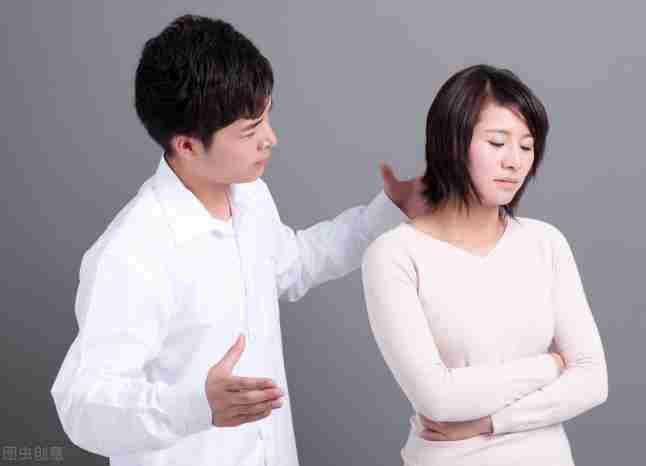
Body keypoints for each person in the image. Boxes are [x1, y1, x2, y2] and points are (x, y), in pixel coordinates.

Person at [50, 14, 427, 466]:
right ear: (187, 145)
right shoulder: (134, 251)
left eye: (266, 118)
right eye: (250, 131)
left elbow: (294, 263)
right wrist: (196, 406)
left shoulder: (250, 195)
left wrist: (392, 210)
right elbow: (83, 405)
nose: (271, 139)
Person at [361, 64, 608, 465]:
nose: (515, 161)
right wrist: (551, 366)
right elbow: (437, 399)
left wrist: (489, 423)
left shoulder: (545, 242)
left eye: (527, 146)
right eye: (497, 143)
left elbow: (593, 380)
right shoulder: (394, 255)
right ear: (451, 143)